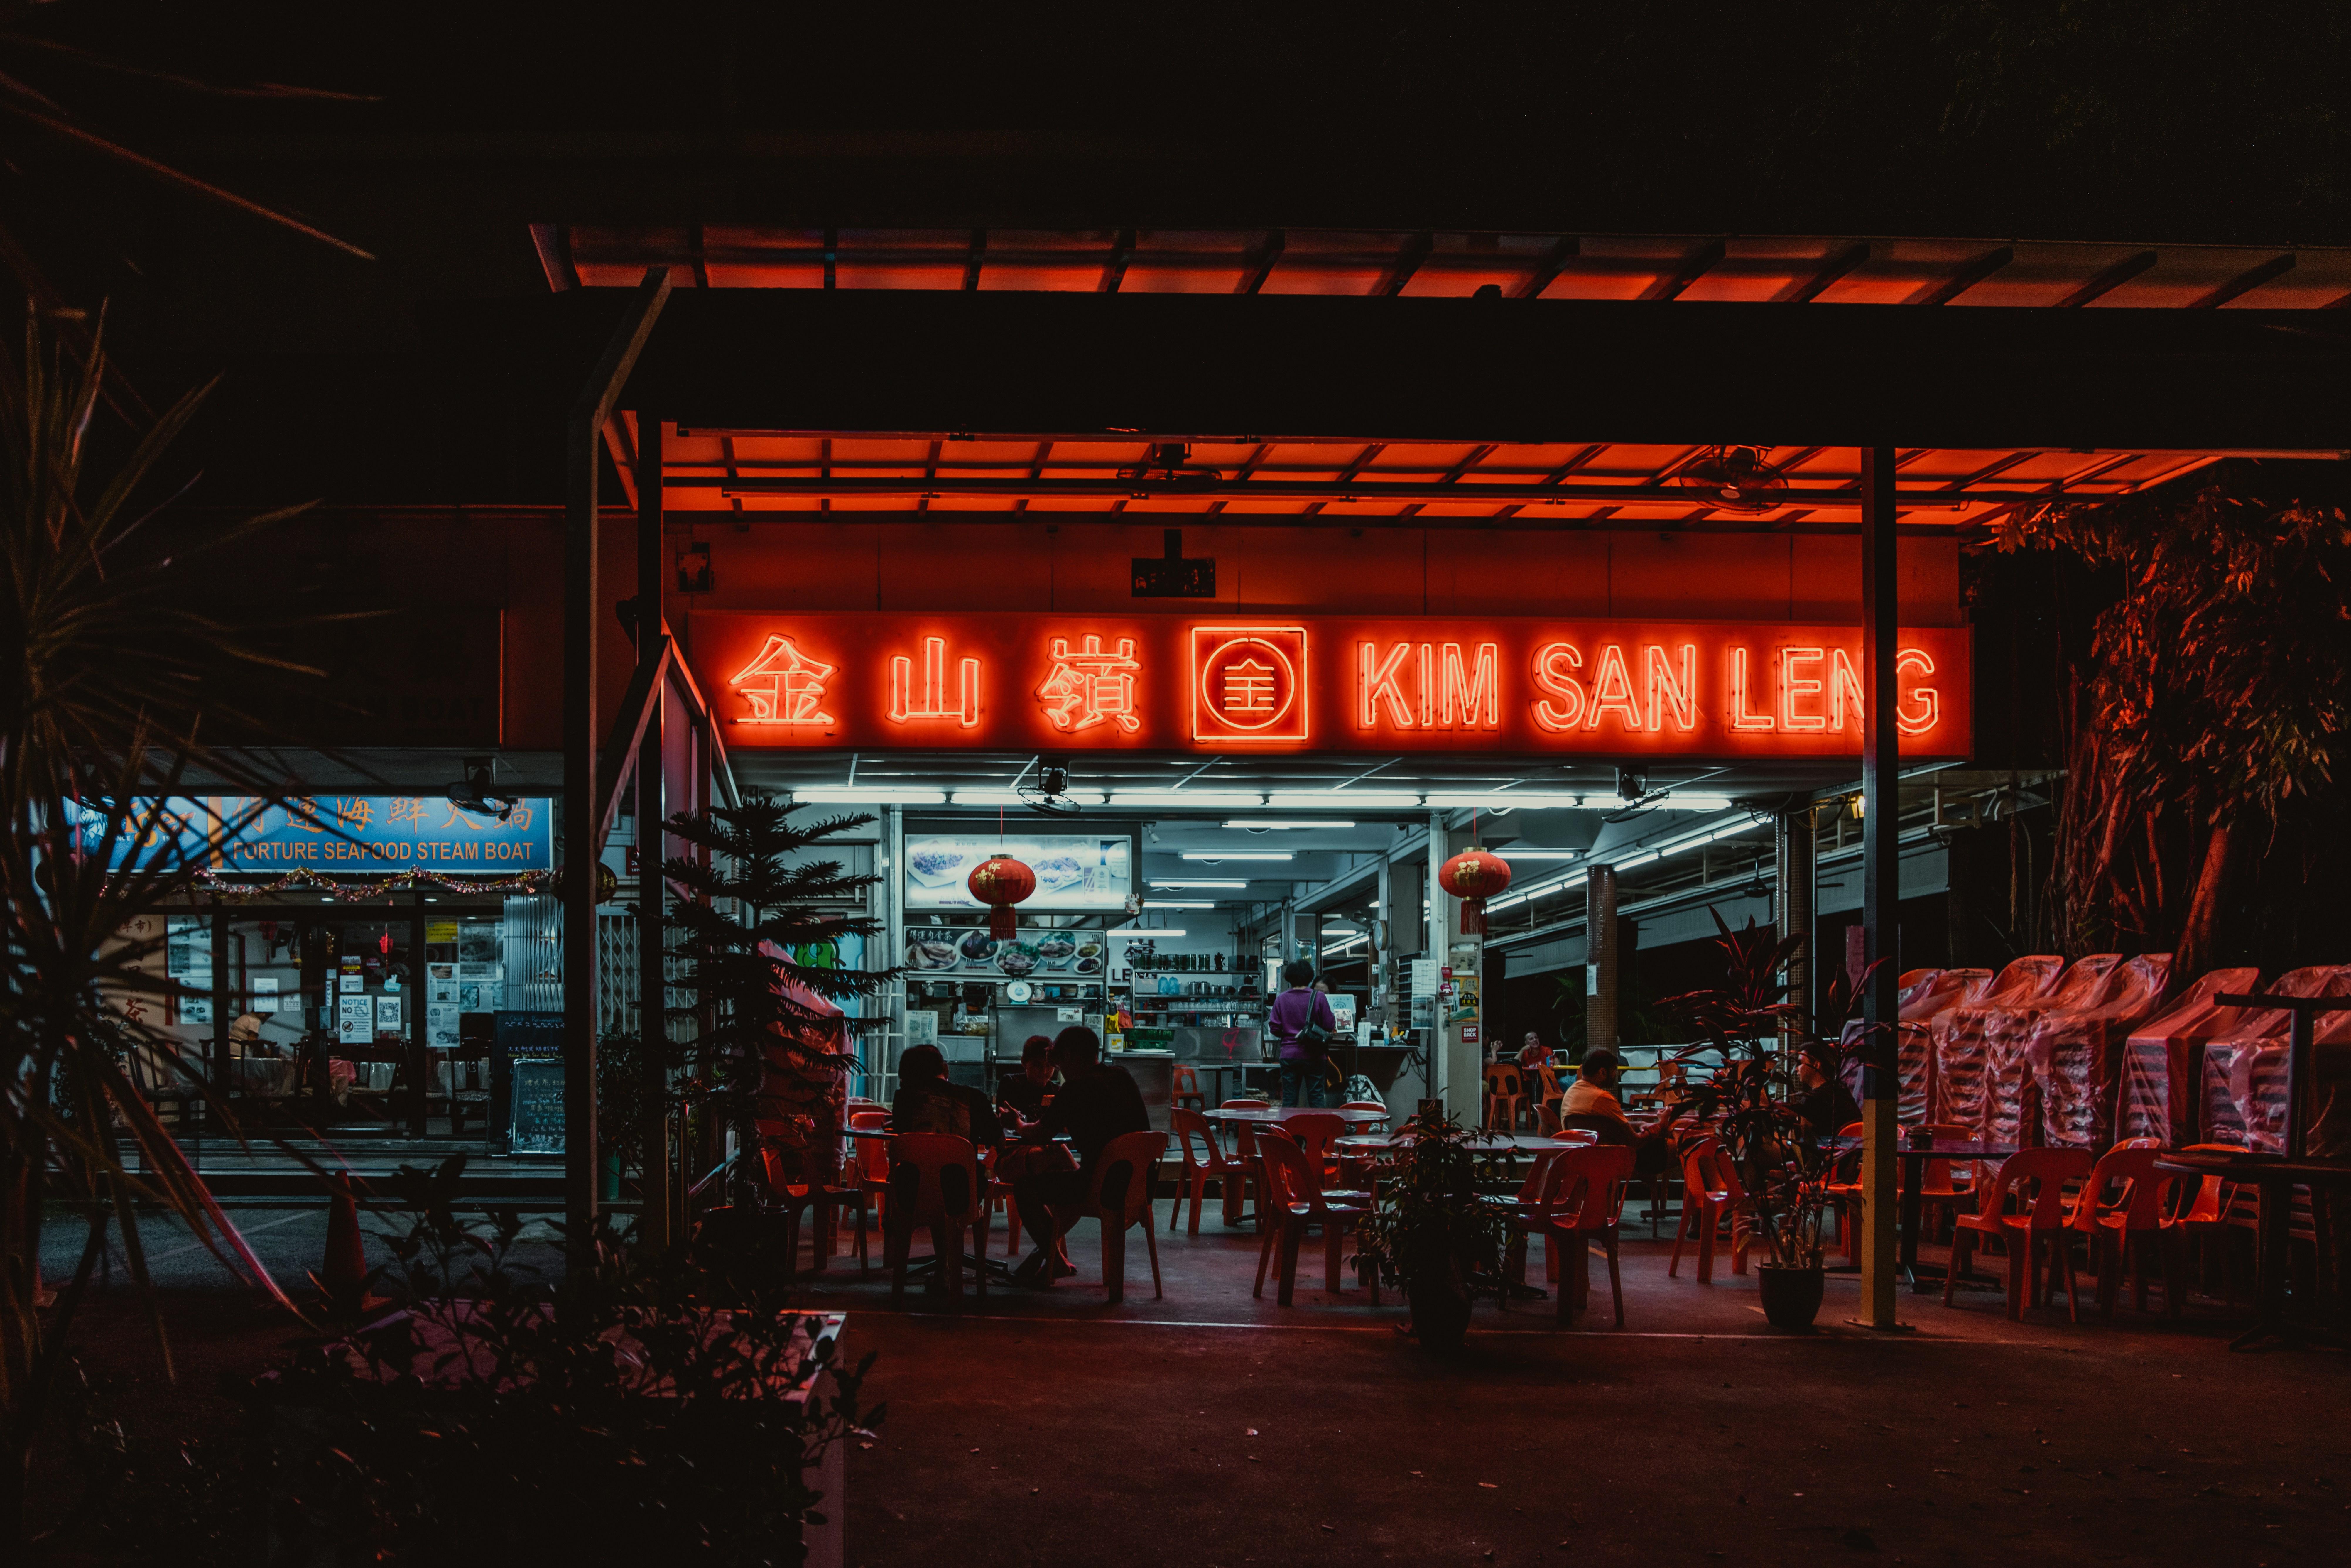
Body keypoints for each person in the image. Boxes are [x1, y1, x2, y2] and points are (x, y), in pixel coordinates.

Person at [1008, 1025, 1150, 1286]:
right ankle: (1051, 1257)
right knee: (1068, 1181)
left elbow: (1039, 1135)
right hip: (1140, 1185)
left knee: (1026, 1190)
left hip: (1100, 1187)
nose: (1059, 1073)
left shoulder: (1074, 1090)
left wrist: (1017, 1124)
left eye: (1059, 1065)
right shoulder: (1123, 1076)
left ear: (1070, 1056)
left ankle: (1051, 1257)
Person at [1561, 1047, 1691, 1178]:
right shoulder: (1602, 1098)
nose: (1616, 1075)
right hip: (1623, 1159)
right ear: (1602, 1072)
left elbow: (1614, 1127)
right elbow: (1635, 1142)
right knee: (1688, 1147)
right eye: (1614, 1071)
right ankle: (1699, 1195)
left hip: (1587, 1158)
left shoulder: (1572, 1093)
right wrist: (1661, 1124)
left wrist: (1640, 1124)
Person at [889, 1043, 1004, 1147]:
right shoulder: (976, 1099)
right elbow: (999, 1141)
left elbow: (902, 1134)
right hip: (962, 1170)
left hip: (913, 1170)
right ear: (946, 1069)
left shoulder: (903, 1100)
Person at [1268, 959, 1337, 1108]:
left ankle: (1288, 1131)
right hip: (1315, 1055)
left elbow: (1274, 1028)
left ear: (1290, 978)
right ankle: (1317, 1131)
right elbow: (1329, 1024)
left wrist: (1289, 1033)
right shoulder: (1319, 997)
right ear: (1310, 977)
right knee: (1316, 1098)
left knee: (1289, 1100)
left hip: (1289, 1055)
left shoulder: (1281, 999)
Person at [1795, 1049, 1862, 1140]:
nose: (1796, 1069)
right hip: (1851, 1150)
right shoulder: (1841, 1089)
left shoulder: (1812, 1099)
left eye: (1801, 1063)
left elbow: (1797, 1140)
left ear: (1816, 1065)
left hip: (1826, 1152)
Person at [996, 1033, 1055, 1124]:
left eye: (1049, 1065)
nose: (1044, 1071)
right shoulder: (1011, 1084)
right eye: (1038, 1065)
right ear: (1024, 1063)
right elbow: (1004, 1119)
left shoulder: (1056, 1091)